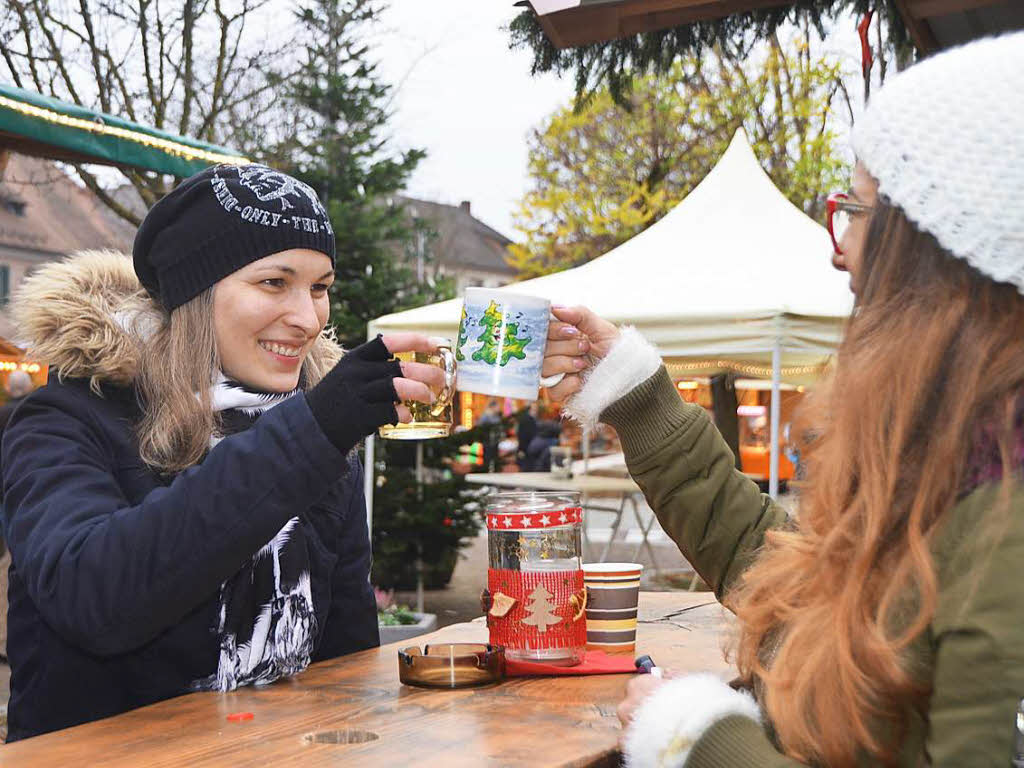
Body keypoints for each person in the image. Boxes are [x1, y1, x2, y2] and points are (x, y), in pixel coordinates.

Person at [541, 34, 1024, 767]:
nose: (837, 247)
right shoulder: (955, 460)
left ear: (937, 255)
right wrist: (636, 396)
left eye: (856, 213)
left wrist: (699, 739)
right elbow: (799, 593)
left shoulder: (1005, 525)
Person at [0, 164, 444, 742]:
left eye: (319, 287)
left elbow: (346, 657)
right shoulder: (65, 419)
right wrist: (312, 433)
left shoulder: (309, 427)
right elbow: (94, 599)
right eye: (273, 283)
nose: (308, 319)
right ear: (195, 293)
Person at [516, 402, 539, 467]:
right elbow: (521, 435)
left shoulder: (533, 419)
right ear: (530, 409)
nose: (536, 411)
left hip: (530, 447)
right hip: (526, 448)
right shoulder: (525, 419)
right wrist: (521, 449)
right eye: (534, 409)